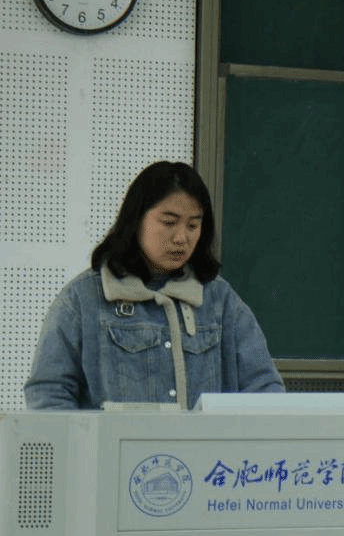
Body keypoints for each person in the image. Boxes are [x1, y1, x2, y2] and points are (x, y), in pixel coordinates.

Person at [24, 161, 285, 410]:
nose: (181, 237)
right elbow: (48, 393)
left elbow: (265, 388)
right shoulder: (84, 298)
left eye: (193, 225)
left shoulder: (220, 299)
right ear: (136, 220)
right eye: (169, 223)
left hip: (203, 445)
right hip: (112, 444)